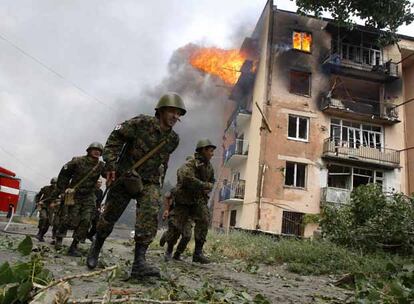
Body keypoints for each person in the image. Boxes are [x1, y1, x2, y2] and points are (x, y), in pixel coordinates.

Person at [86, 92, 186, 279]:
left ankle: (139, 263)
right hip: (125, 176)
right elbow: (116, 137)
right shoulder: (141, 123)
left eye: (179, 113)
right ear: (161, 111)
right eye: (172, 111)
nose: (175, 116)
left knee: (149, 213)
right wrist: (111, 164)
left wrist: (159, 183)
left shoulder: (173, 139)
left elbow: (164, 160)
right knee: (109, 216)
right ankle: (96, 247)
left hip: (148, 181)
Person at [164, 139, 216, 263]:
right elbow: (187, 179)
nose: (212, 154)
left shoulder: (209, 166)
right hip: (183, 201)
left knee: (204, 220)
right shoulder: (189, 164)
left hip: (198, 200)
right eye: (210, 151)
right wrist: (204, 185)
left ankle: (197, 253)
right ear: (203, 150)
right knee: (176, 227)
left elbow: (212, 180)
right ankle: (169, 251)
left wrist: (209, 186)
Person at [54, 142, 105, 256]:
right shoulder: (77, 161)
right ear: (89, 150)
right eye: (95, 149)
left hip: (89, 195)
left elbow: (109, 174)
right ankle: (59, 238)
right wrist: (63, 190)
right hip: (74, 194)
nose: (97, 152)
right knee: (68, 219)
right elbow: (64, 174)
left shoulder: (101, 165)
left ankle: (74, 246)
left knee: (86, 220)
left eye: (99, 151)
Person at [34, 177, 58, 242]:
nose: (54, 185)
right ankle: (39, 233)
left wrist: (55, 204)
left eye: (56, 183)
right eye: (53, 183)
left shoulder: (58, 191)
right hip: (43, 206)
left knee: (48, 222)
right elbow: (38, 195)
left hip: (52, 208)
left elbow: (60, 200)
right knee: (44, 218)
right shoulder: (46, 188)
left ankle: (41, 235)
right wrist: (37, 202)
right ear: (51, 183)